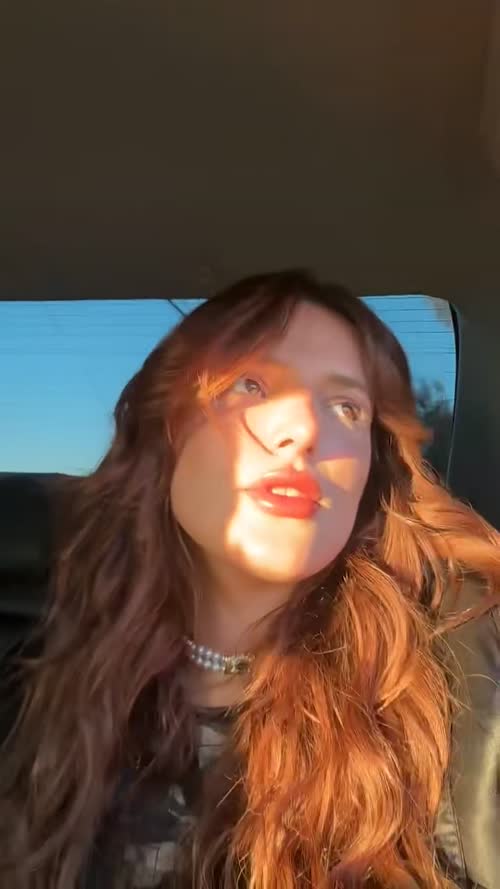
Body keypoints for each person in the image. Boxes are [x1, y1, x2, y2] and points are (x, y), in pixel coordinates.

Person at [0, 270, 498, 889]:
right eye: (251, 385)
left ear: (369, 473)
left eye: (346, 408)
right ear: (166, 433)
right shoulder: (30, 684)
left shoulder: (463, 688)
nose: (305, 432)